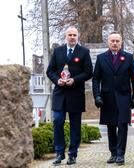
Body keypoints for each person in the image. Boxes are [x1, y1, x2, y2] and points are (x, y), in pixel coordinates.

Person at [46, 26, 93, 165]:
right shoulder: (58, 51)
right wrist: (56, 80)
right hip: (60, 93)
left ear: (78, 36)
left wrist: (75, 80)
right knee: (58, 121)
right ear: (65, 36)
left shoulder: (84, 52)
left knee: (75, 125)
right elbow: (50, 71)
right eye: (70, 35)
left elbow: (89, 71)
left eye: (75, 35)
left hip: (76, 93)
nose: (72, 37)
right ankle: (59, 153)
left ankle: (73, 154)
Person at [92, 31, 134, 165]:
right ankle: (113, 153)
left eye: (117, 41)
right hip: (107, 97)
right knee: (111, 126)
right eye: (112, 41)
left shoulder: (128, 57)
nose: (115, 43)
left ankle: (120, 154)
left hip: (124, 97)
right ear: (108, 42)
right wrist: (97, 96)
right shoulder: (101, 58)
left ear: (121, 42)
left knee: (122, 125)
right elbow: (96, 79)